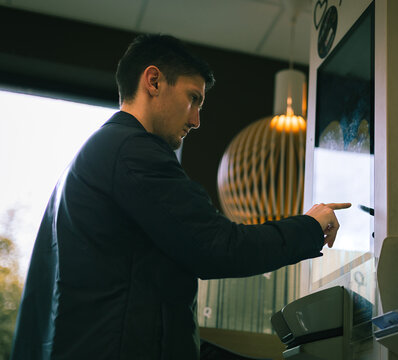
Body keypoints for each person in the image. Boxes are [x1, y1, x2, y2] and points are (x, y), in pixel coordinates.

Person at [10, 34, 350, 360]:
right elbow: (218, 247)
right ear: (154, 81)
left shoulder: (102, 153)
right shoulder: (132, 151)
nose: (197, 120)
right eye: (194, 98)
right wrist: (308, 225)